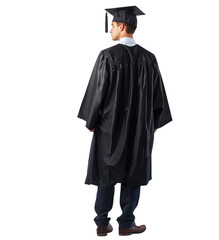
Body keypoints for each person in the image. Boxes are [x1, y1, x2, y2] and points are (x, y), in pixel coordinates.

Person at [77, 5, 172, 236]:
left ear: (121, 25)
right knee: (134, 171)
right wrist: (153, 124)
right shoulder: (149, 59)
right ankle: (127, 223)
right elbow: (159, 97)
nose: (110, 29)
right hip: (140, 129)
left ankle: (101, 223)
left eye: (112, 25)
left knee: (107, 172)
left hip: (110, 129)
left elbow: (98, 92)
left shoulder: (107, 56)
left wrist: (91, 120)